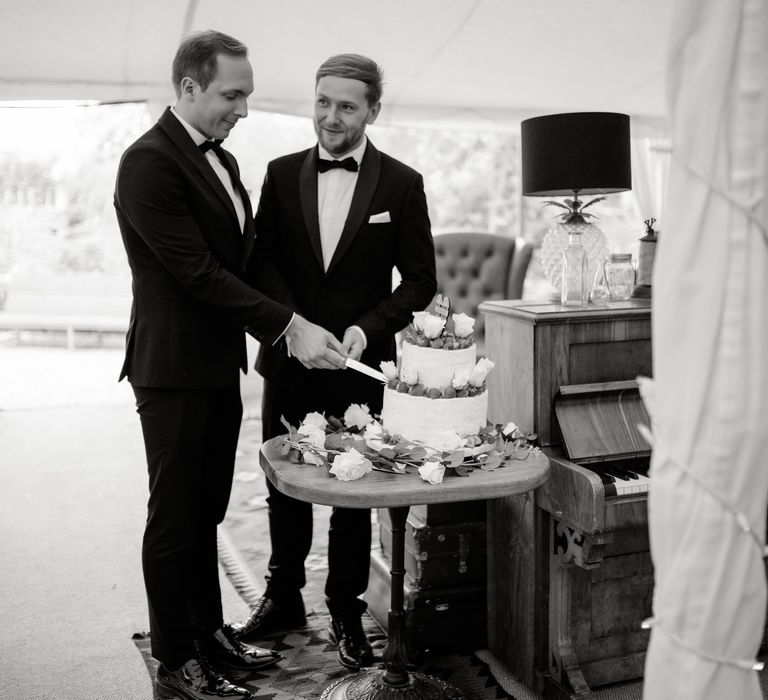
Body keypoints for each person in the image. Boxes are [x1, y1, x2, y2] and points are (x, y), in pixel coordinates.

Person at [114, 30, 347, 700]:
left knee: (208, 511)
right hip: (171, 367)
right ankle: (176, 657)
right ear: (188, 87)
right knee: (175, 517)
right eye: (231, 94)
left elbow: (244, 263)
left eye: (245, 94)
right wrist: (288, 327)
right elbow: (199, 274)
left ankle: (210, 634)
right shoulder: (148, 162)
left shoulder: (224, 161)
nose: (243, 108)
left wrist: (308, 317)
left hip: (219, 364)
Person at [232, 53, 437, 670]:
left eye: (346, 106)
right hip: (290, 358)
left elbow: (419, 281)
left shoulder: (402, 183)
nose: (330, 117)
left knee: (355, 488)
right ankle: (283, 596)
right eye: (322, 102)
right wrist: (295, 328)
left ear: (373, 110)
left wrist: (364, 328)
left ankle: (345, 606)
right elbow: (262, 263)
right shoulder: (279, 171)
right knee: (284, 485)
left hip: (359, 365)